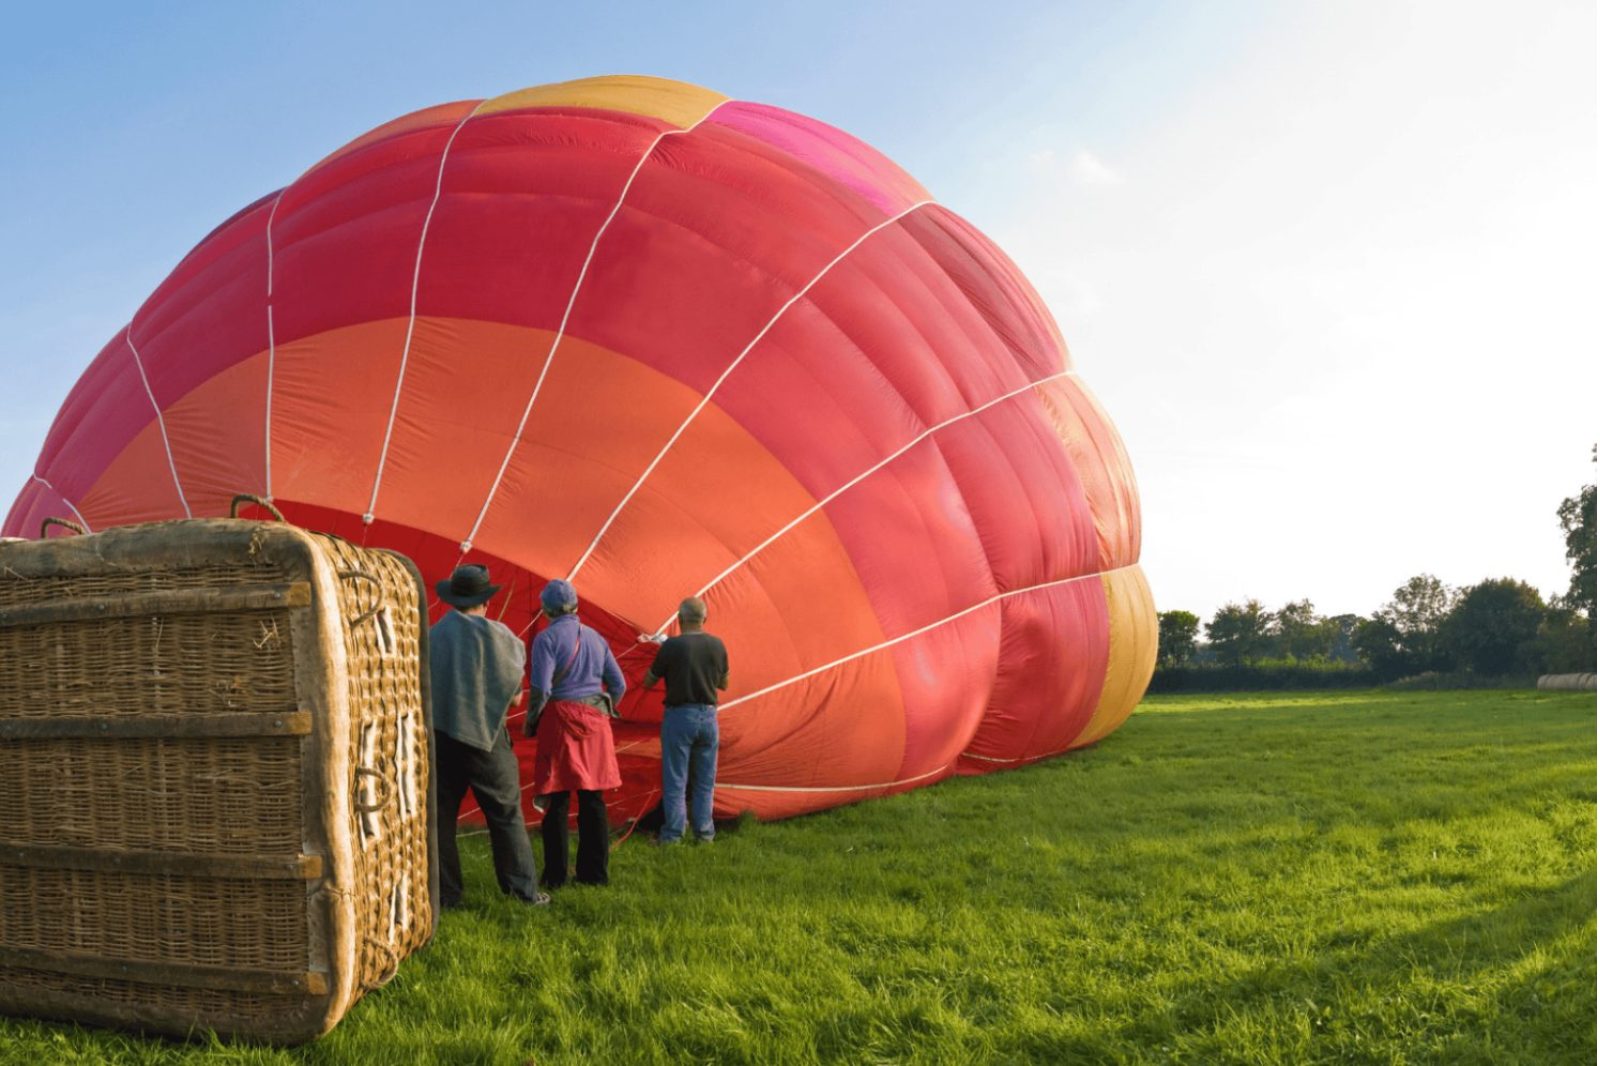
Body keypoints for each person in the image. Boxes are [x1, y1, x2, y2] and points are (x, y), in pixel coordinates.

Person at [429, 564, 547, 907]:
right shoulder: (503, 638)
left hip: (441, 736)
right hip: (487, 737)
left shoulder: (433, 636)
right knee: (506, 814)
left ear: (452, 599)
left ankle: (446, 895)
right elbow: (514, 698)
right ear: (485, 602)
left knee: (439, 819)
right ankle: (522, 892)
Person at [525, 579, 626, 887]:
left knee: (556, 799)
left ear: (546, 609)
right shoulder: (597, 638)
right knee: (593, 798)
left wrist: (532, 720)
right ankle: (594, 875)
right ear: (577, 606)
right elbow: (619, 685)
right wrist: (601, 707)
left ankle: (555, 876)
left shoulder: (546, 639)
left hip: (560, 720)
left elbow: (541, 688)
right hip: (596, 722)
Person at [641, 596, 729, 845]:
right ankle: (704, 835)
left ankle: (673, 835)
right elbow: (724, 683)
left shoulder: (672, 647)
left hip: (680, 716)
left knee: (676, 779)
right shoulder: (717, 645)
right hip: (709, 717)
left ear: (679, 620)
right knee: (704, 781)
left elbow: (648, 681)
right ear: (705, 619)